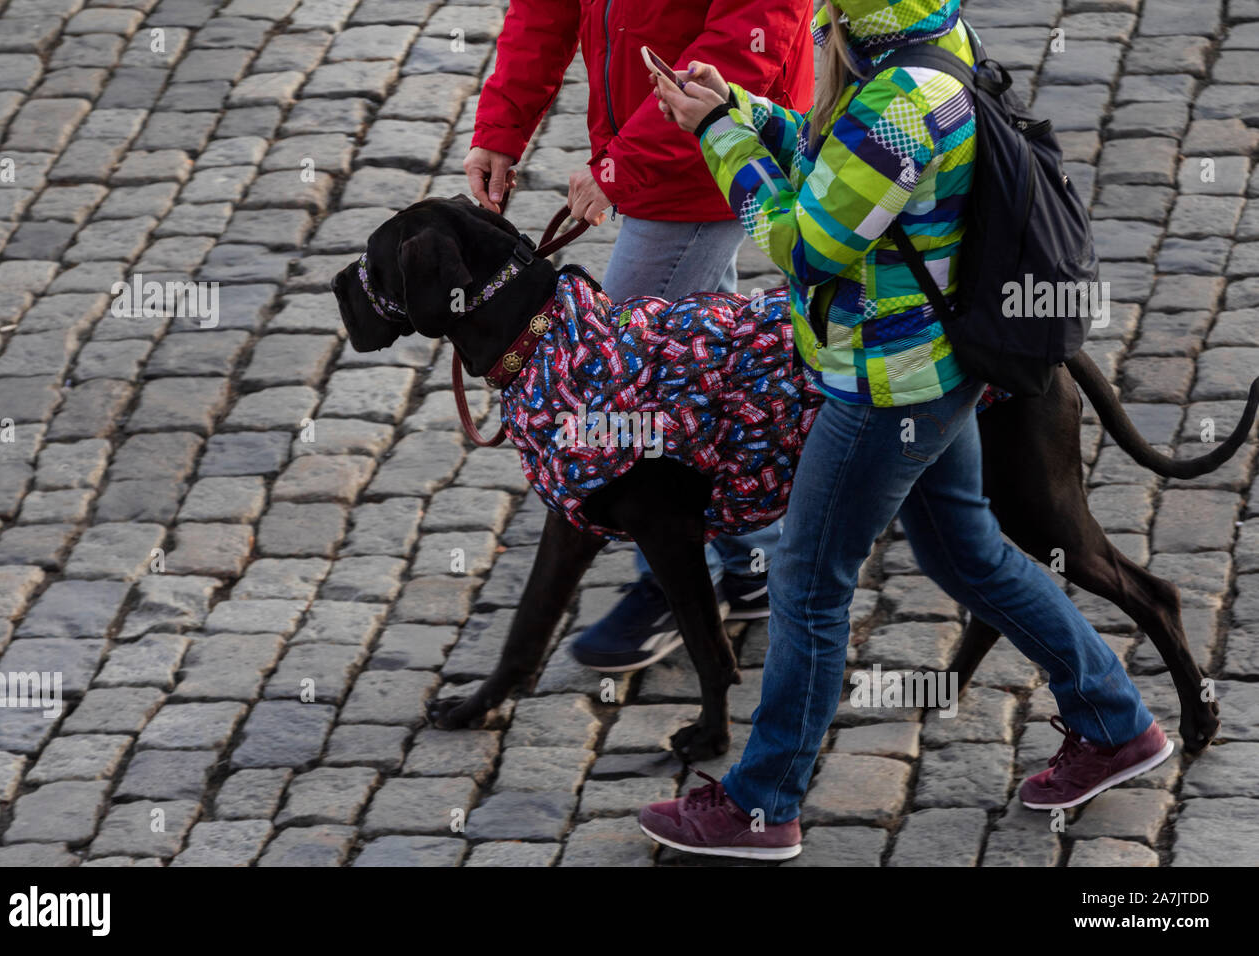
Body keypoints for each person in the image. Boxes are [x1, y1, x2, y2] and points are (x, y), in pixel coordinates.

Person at [639, 0, 1171, 861]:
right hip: (937, 367)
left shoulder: (896, 105)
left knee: (808, 586)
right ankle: (1116, 723)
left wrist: (719, 142)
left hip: (886, 389)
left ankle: (763, 805)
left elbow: (801, 243)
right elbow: (834, 168)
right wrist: (740, 108)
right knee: (969, 555)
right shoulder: (930, 44)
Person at [464, 0, 815, 673]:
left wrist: (624, 163)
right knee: (705, 369)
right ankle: (750, 560)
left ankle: (677, 577)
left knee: (618, 398)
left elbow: (748, 44)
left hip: (707, 160)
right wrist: (501, 127)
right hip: (661, 156)